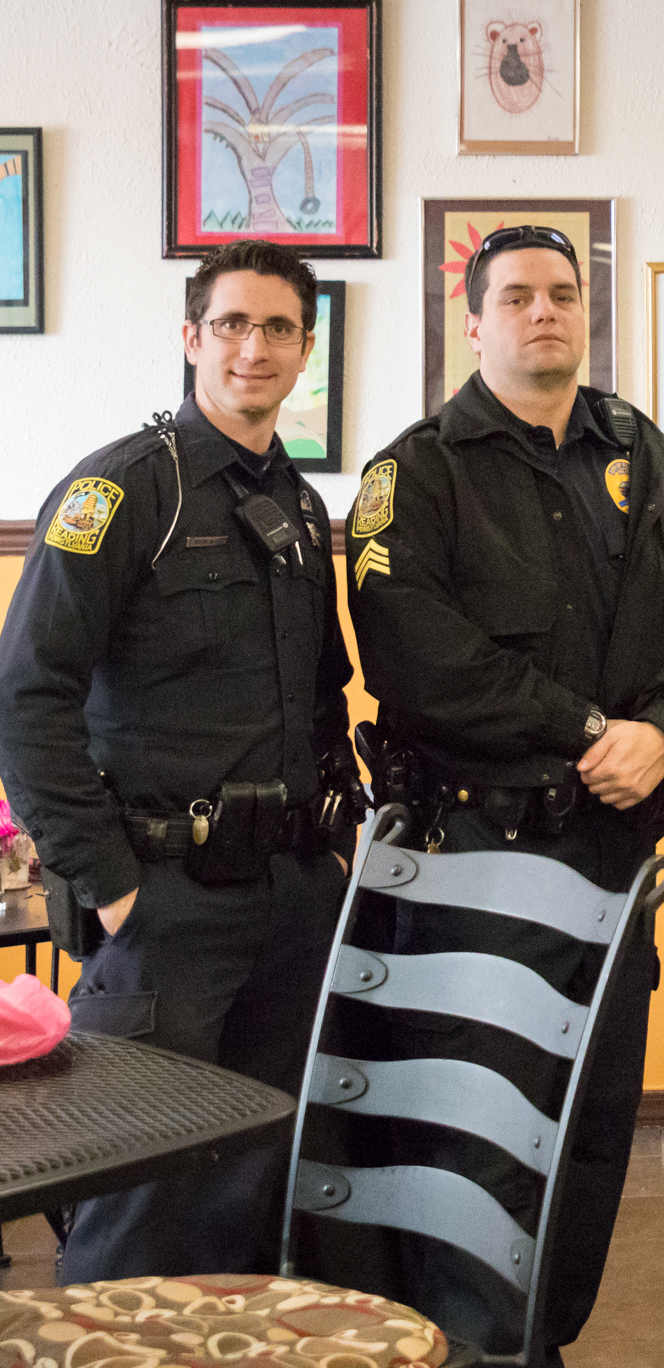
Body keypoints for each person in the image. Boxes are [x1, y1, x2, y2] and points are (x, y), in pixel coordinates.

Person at [344, 225, 664, 1368]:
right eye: (518, 294)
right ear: (474, 321)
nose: (545, 311)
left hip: (610, 861)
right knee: (473, 1130)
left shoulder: (640, 452)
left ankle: (540, 1353)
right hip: (473, 859)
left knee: (588, 1126)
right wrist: (590, 730)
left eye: (564, 293)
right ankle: (467, 1367)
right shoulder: (418, 473)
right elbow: (421, 659)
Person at [0, 239, 362, 1283]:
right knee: (138, 1197)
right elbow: (26, 696)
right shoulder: (122, 491)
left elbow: (320, 696)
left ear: (306, 350)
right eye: (234, 323)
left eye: (280, 327)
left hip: (291, 899)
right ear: (193, 336)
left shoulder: (298, 505)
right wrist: (110, 885)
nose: (256, 347)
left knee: (258, 1187)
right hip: (167, 904)